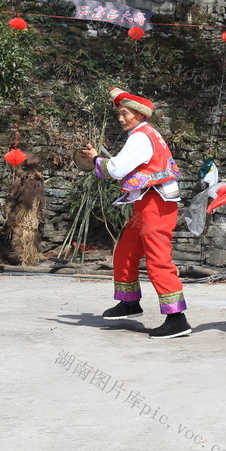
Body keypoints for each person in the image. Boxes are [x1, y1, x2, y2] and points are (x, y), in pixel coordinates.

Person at [81, 88, 189, 339]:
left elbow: (117, 169)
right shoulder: (145, 133)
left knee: (158, 259)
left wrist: (96, 159)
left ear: (139, 114)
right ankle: (129, 302)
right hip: (146, 202)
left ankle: (177, 318)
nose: (121, 118)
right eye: (119, 113)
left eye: (125, 113)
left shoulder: (141, 137)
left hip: (156, 204)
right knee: (126, 252)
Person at [3, 154, 45, 266]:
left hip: (32, 214)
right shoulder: (21, 180)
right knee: (17, 232)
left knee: (31, 233)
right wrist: (10, 197)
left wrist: (39, 211)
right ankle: (18, 254)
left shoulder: (38, 181)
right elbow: (13, 195)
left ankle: (29, 256)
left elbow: (40, 199)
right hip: (20, 212)